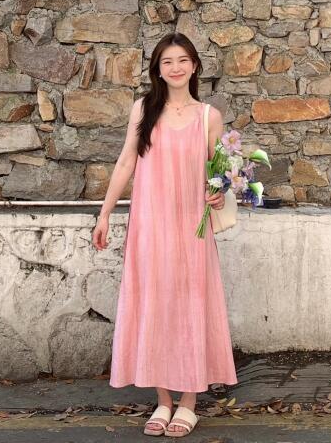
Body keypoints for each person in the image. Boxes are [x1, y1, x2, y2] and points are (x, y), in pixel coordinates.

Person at [92, 32, 238, 437]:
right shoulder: (144, 109)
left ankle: (189, 402)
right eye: (167, 61)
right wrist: (104, 214)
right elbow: (126, 162)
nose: (175, 68)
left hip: (191, 227)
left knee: (191, 306)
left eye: (182, 60)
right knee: (154, 307)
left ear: (195, 66)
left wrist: (219, 191)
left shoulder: (208, 116)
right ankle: (163, 400)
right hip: (149, 225)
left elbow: (218, 171)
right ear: (157, 69)